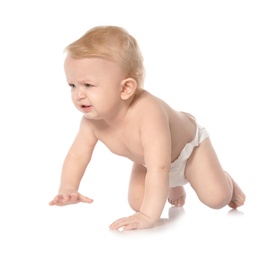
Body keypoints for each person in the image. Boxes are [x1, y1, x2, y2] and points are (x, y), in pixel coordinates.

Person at [49, 25, 246, 231]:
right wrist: (68, 189)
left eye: (88, 85)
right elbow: (77, 156)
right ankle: (174, 185)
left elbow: (160, 168)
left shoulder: (149, 113)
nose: (78, 95)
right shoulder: (92, 121)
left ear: (125, 88)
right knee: (137, 202)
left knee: (216, 198)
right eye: (72, 85)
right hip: (150, 161)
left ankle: (225, 180)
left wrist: (147, 216)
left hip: (189, 151)